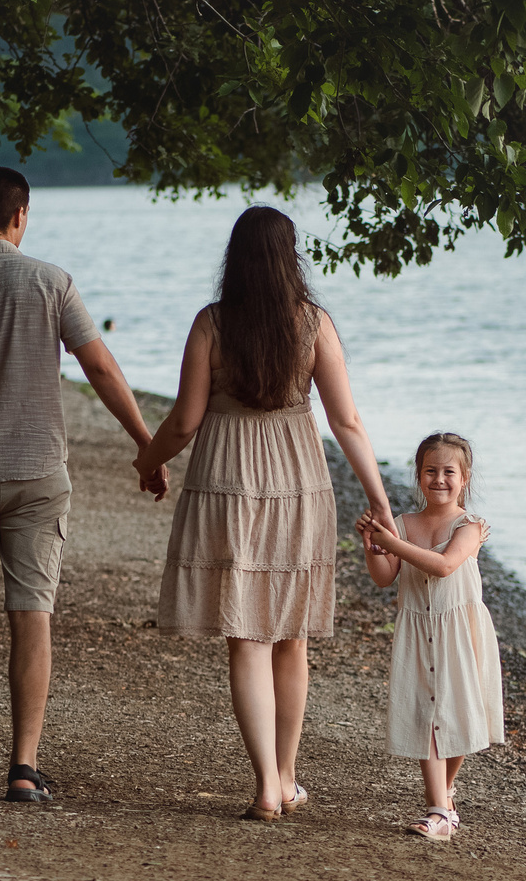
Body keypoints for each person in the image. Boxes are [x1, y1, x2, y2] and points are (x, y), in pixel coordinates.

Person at [0, 166, 165, 803]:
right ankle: (24, 767)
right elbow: (98, 365)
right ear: (21, 216)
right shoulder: (52, 282)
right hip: (39, 474)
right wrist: (145, 444)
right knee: (32, 611)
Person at [136, 205, 395, 822]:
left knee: (246, 636)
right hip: (297, 479)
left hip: (227, 475)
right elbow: (346, 421)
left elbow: (184, 422)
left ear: (236, 256)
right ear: (290, 257)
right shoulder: (313, 323)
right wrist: (380, 498)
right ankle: (285, 775)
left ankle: (265, 786)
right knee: (291, 635)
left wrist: (148, 460)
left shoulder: (212, 324)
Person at [355, 432, 504, 840]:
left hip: (459, 630)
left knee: (458, 714)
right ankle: (439, 810)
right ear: (418, 476)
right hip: (417, 630)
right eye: (430, 471)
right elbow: (386, 578)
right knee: (427, 717)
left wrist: (393, 544)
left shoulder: (470, 526)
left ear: (465, 478)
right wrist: (374, 545)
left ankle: (445, 797)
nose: (439, 479)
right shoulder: (403, 524)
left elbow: (443, 566)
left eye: (449, 472)